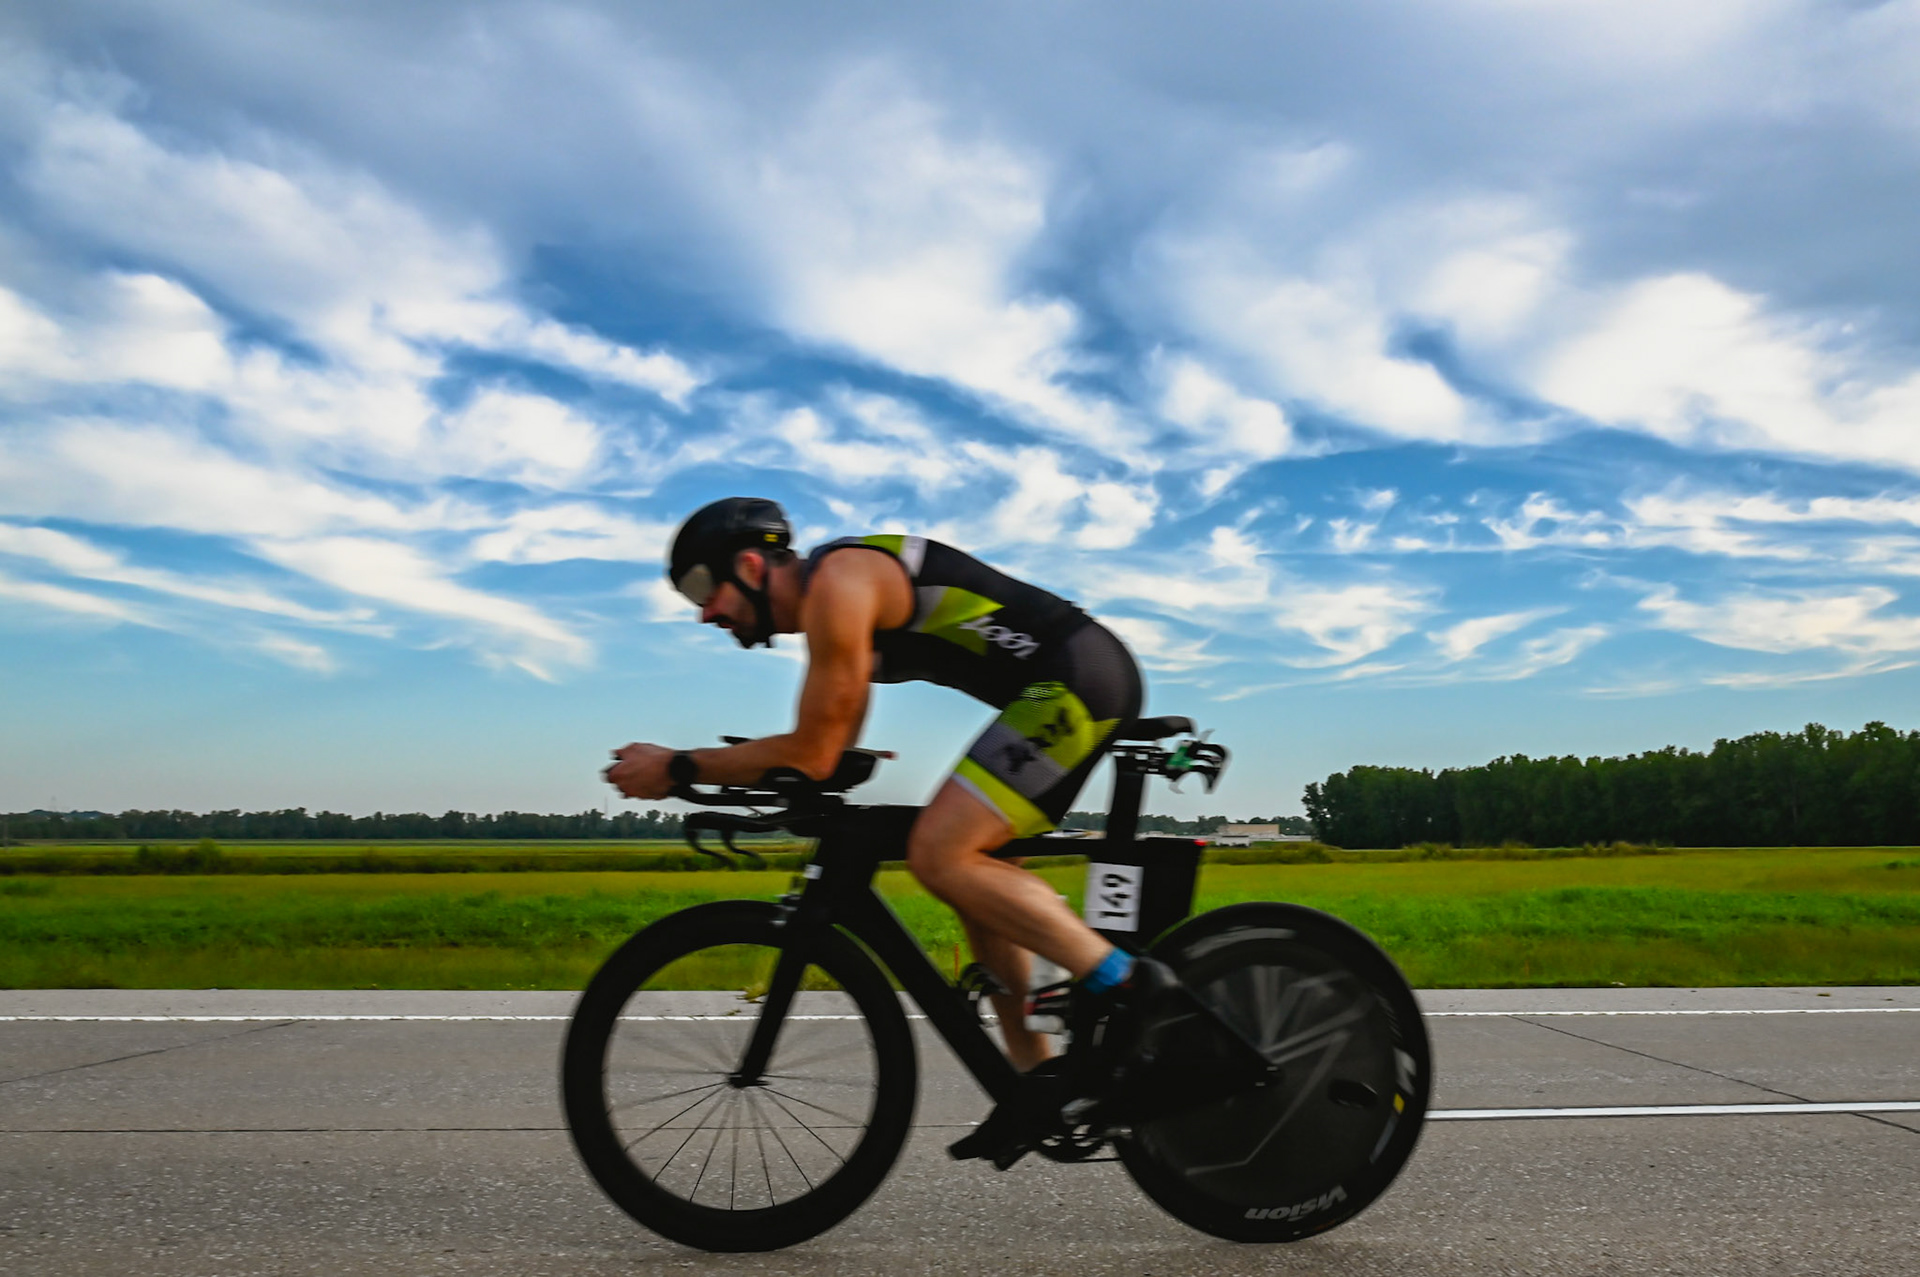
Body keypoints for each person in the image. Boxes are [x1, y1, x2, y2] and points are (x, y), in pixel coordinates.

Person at [604, 495, 1146, 1071]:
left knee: (941, 854)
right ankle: (1038, 1085)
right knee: (982, 891)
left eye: (701, 589)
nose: (704, 614)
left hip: (1074, 683)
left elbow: (814, 752)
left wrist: (677, 765)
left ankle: (1134, 988)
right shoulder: (834, 599)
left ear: (750, 566)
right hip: (1058, 687)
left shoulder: (839, 583)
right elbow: (828, 745)